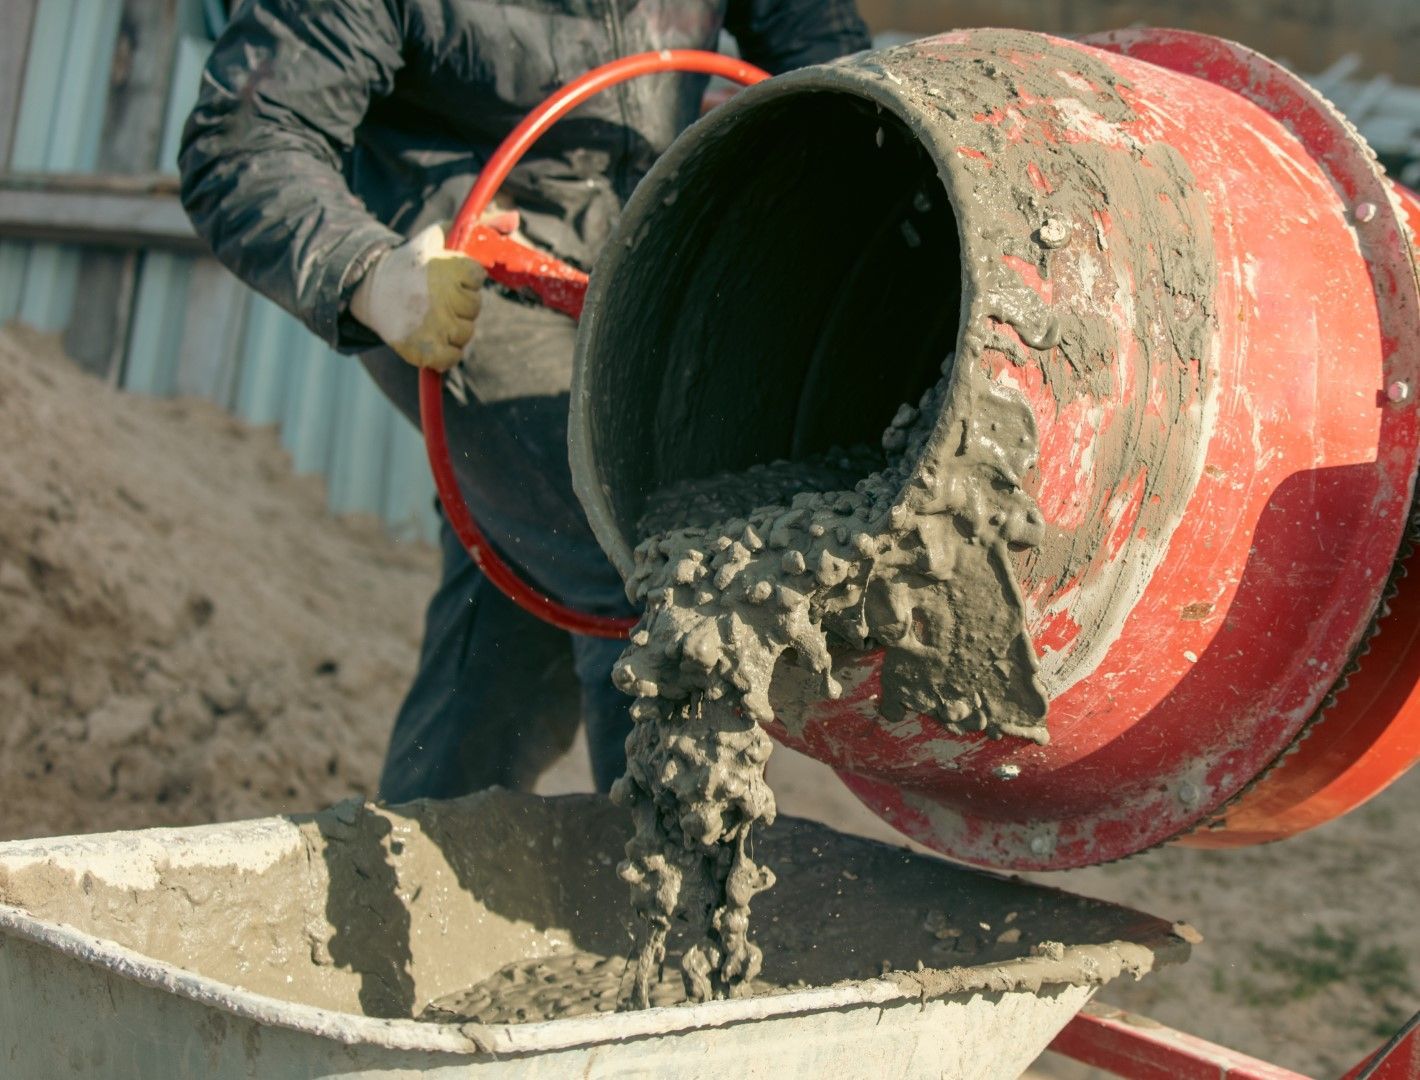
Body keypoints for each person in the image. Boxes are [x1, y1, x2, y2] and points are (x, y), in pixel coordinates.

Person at [179, 0, 871, 802]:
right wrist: (364, 273)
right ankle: (682, 904)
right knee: (652, 559)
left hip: (640, 265)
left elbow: (829, 61)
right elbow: (241, 141)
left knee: (509, 623)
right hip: (458, 281)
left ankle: (420, 867)